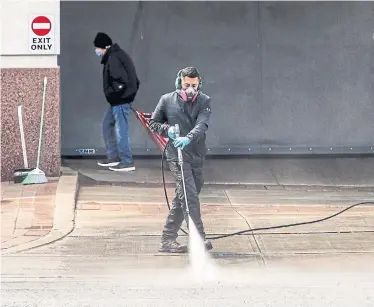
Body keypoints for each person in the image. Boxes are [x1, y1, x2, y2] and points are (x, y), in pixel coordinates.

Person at [149, 67, 213, 253]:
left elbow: (202, 125)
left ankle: (167, 239)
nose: (190, 89)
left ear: (199, 83)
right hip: (176, 155)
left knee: (184, 195)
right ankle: (199, 240)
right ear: (179, 83)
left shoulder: (204, 101)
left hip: (196, 153)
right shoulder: (166, 100)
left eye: (194, 85)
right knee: (189, 195)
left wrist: (189, 138)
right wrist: (166, 130)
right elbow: (153, 123)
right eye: (186, 85)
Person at [93, 32, 140, 172]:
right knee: (107, 124)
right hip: (118, 101)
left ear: (104, 47)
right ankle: (114, 157)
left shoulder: (113, 58)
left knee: (121, 130)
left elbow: (120, 81)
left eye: (98, 48)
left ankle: (127, 161)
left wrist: (115, 95)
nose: (97, 51)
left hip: (120, 101)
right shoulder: (115, 55)